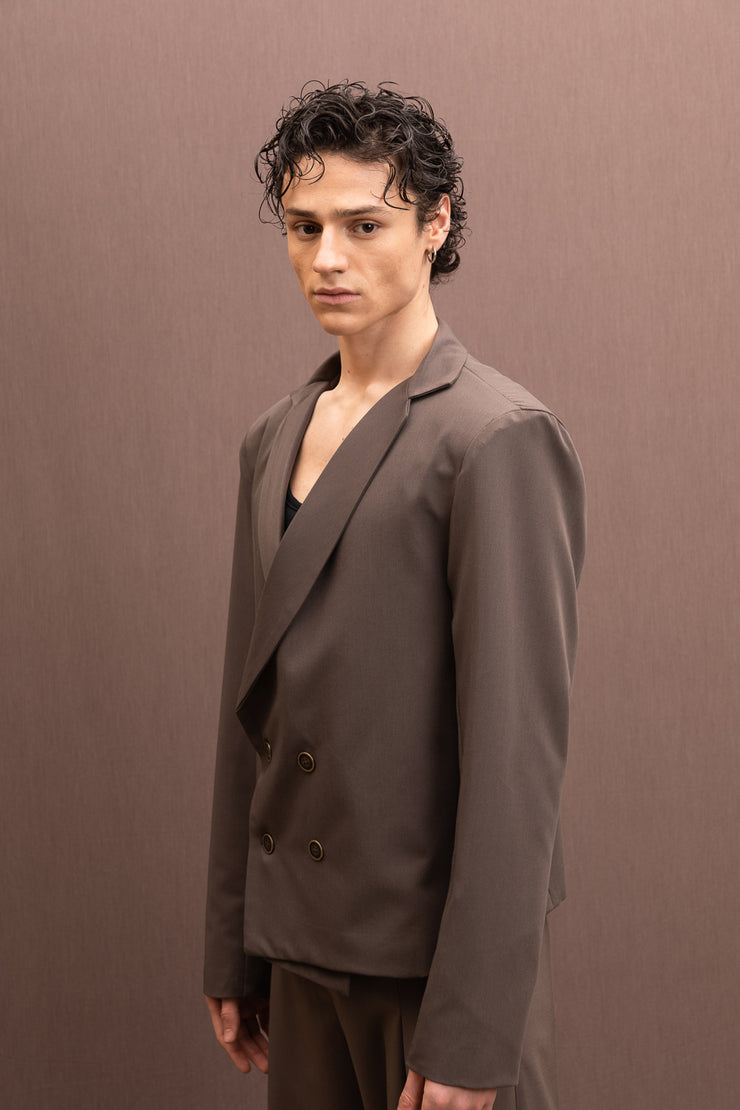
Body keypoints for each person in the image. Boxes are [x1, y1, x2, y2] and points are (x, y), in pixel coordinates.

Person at [204, 81, 585, 1110]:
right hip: (299, 945)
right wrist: (233, 942)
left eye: (363, 225)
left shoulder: (493, 438)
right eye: (304, 227)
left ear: (435, 224)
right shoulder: (272, 437)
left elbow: (515, 763)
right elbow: (251, 710)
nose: (327, 258)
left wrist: (473, 1027)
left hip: (429, 967)